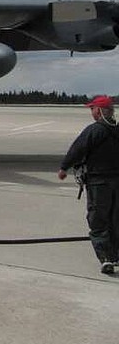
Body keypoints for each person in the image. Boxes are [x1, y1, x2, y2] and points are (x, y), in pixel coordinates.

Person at [58, 95, 119, 275]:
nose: (91, 112)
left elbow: (78, 149)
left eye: (92, 108)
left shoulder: (94, 130)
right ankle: (115, 254)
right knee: (115, 219)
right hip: (117, 181)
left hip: (99, 183)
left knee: (98, 220)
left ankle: (106, 258)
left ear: (99, 111)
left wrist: (64, 168)